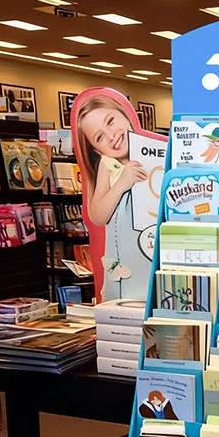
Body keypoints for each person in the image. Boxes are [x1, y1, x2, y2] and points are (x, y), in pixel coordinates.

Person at [74, 93, 149, 302]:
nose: (111, 136)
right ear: (95, 149)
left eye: (110, 121)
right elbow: (97, 216)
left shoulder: (155, 153)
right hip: (125, 260)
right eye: (99, 138)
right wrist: (121, 184)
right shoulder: (109, 166)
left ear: (124, 114)